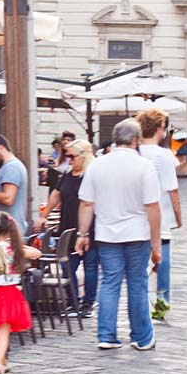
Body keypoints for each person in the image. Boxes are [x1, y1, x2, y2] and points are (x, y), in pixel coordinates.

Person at [76, 119, 161, 352]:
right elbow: (152, 207)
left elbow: (86, 204)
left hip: (107, 232)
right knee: (137, 284)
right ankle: (142, 337)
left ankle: (106, 335)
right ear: (135, 140)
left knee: (110, 283)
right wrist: (156, 243)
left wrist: (82, 233)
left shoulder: (97, 164)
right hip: (137, 233)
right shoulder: (144, 166)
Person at [35, 139, 98, 318]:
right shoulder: (68, 174)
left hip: (90, 228)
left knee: (90, 266)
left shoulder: (92, 175)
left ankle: (88, 304)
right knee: (67, 266)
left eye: (72, 156)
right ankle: (73, 302)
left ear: (84, 156)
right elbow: (56, 195)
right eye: (67, 156)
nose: (68, 159)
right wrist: (44, 215)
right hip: (68, 228)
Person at [0, 211, 41, 374]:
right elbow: (36, 253)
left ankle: (2, 360)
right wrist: (19, 245)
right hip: (10, 292)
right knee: (5, 331)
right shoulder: (12, 248)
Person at [136, 108, 182, 322]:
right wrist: (178, 217)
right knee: (162, 265)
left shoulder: (134, 151)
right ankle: (161, 307)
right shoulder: (164, 155)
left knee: (138, 268)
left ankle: (140, 305)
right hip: (160, 218)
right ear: (160, 128)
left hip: (135, 218)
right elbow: (172, 190)